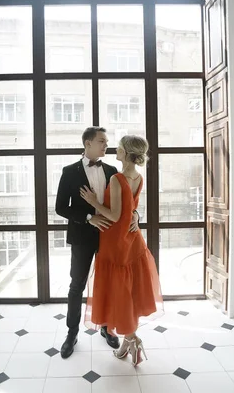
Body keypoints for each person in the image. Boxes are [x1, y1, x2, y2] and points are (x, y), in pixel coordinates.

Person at [55, 127, 140, 359]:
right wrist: (89, 217)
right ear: (87, 143)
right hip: (82, 236)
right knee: (77, 285)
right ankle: (71, 334)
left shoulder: (113, 171)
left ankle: (107, 328)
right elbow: (60, 207)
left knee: (110, 285)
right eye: (102, 141)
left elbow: (125, 204)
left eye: (107, 141)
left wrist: (136, 215)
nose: (106, 145)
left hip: (111, 237)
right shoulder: (69, 171)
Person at [79, 135, 163, 366]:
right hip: (133, 239)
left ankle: (133, 340)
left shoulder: (117, 178)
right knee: (129, 292)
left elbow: (115, 215)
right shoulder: (138, 177)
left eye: (120, 147)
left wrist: (93, 201)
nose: (115, 148)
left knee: (121, 291)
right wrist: (136, 216)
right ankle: (128, 342)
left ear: (126, 153)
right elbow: (130, 208)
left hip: (115, 241)